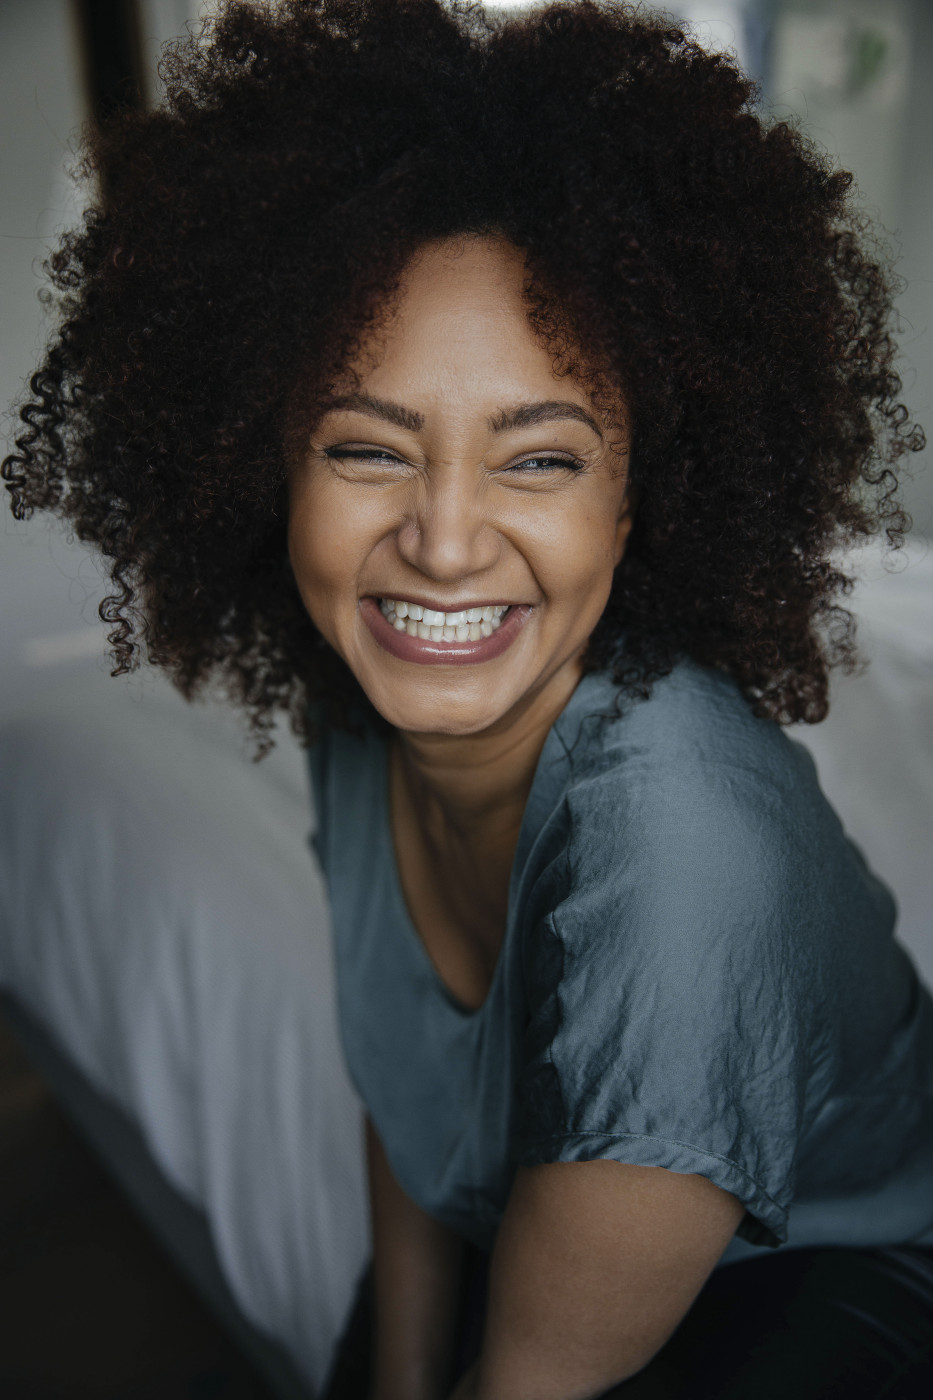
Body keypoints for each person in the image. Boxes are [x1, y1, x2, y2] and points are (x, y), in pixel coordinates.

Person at [4, 1, 933, 1396]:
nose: (442, 545)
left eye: (540, 459)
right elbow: (416, 1101)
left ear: (636, 507)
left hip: (830, 1285)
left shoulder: (690, 859)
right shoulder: (360, 711)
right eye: (366, 449)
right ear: (272, 469)